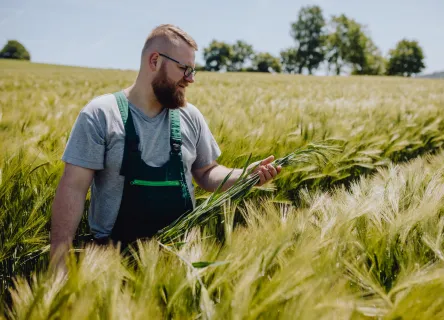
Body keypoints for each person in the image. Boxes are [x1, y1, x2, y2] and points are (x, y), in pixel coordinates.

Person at [49, 24, 281, 269]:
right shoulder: (101, 114)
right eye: (184, 69)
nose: (190, 79)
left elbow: (206, 172)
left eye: (193, 71)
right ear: (155, 60)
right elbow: (73, 188)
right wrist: (58, 262)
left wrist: (245, 175)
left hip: (180, 262)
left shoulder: (190, 116)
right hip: (111, 265)